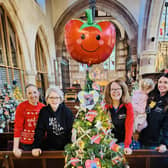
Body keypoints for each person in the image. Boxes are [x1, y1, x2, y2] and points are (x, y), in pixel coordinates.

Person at [32, 87, 74, 157]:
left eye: (56, 98)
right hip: (50, 146)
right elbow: (39, 130)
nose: (54, 100)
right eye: (51, 97)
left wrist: (71, 147)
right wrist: (36, 146)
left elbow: (71, 130)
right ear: (47, 99)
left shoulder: (67, 111)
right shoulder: (44, 111)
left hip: (66, 145)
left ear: (60, 99)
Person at [13, 84, 45, 158]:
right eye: (29, 93)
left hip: (41, 142)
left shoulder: (43, 107)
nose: (33, 95)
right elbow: (18, 127)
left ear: (38, 93)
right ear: (26, 95)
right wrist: (15, 148)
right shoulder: (21, 107)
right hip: (27, 143)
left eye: (34, 92)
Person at [139, 72, 168, 153]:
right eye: (160, 82)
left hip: (157, 145)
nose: (162, 85)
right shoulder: (152, 97)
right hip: (142, 140)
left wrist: (164, 144)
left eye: (165, 82)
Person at [104, 78, 134, 155]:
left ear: (123, 91)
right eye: (112, 89)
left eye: (118, 89)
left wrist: (127, 145)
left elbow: (129, 127)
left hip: (123, 143)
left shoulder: (128, 106)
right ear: (109, 92)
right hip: (108, 143)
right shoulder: (105, 107)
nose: (115, 92)